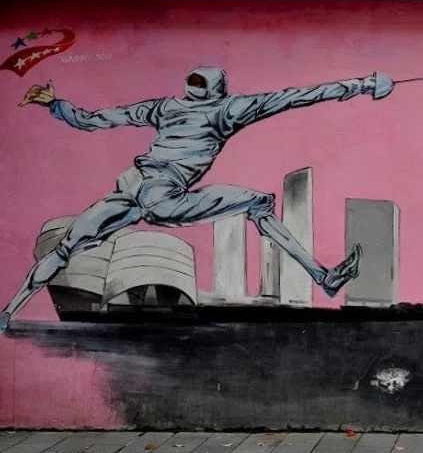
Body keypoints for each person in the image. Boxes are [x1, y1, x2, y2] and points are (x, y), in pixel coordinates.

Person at [0, 67, 394, 332]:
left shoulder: (166, 107)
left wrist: (55, 104)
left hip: (129, 189)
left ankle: (7, 313)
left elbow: (92, 120)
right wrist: (362, 85)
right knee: (258, 203)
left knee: (68, 245)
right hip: (162, 198)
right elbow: (296, 97)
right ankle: (322, 277)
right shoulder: (227, 109)